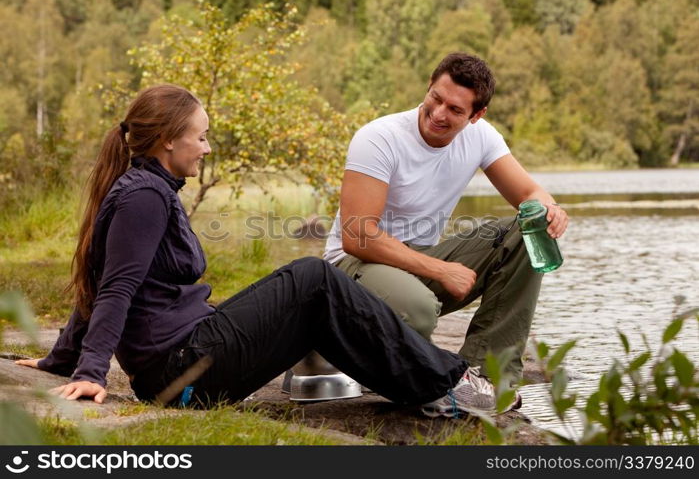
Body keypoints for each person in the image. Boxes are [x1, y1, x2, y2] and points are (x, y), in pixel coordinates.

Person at [15, 84, 521, 418]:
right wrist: (86, 372)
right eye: (201, 137)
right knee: (313, 278)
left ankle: (431, 388)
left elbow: (101, 276)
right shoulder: (144, 195)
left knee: (313, 293)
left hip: (191, 353)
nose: (207, 147)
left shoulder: (144, 188)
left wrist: (61, 357)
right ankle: (448, 386)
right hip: (181, 371)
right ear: (168, 142)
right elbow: (115, 287)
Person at [323, 53, 569, 380]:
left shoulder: (482, 137)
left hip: (416, 261)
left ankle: (488, 377)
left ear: (476, 115)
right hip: (351, 267)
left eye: (455, 110)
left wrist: (549, 209)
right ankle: (397, 374)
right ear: (429, 86)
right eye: (436, 98)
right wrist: (440, 270)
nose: (438, 114)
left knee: (528, 231)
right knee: (419, 311)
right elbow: (357, 237)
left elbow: (529, 195)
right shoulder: (379, 138)